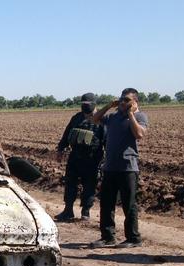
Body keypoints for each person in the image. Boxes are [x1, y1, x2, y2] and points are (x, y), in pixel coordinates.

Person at [90, 88, 148, 248]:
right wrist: (109, 105)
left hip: (128, 168)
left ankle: (133, 238)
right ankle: (107, 236)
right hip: (110, 167)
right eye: (121, 99)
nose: (123, 102)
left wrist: (130, 115)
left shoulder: (139, 116)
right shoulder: (113, 117)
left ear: (135, 102)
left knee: (129, 205)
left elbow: (139, 135)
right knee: (106, 203)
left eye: (127, 100)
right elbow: (95, 119)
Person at [54, 93, 105, 221]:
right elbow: (66, 135)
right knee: (70, 183)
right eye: (83, 105)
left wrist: (106, 159)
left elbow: (107, 140)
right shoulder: (76, 118)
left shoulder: (102, 120)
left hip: (92, 159)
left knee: (89, 185)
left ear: (94, 104)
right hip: (75, 157)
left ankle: (85, 211)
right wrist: (60, 150)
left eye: (87, 105)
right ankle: (68, 210)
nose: (85, 107)